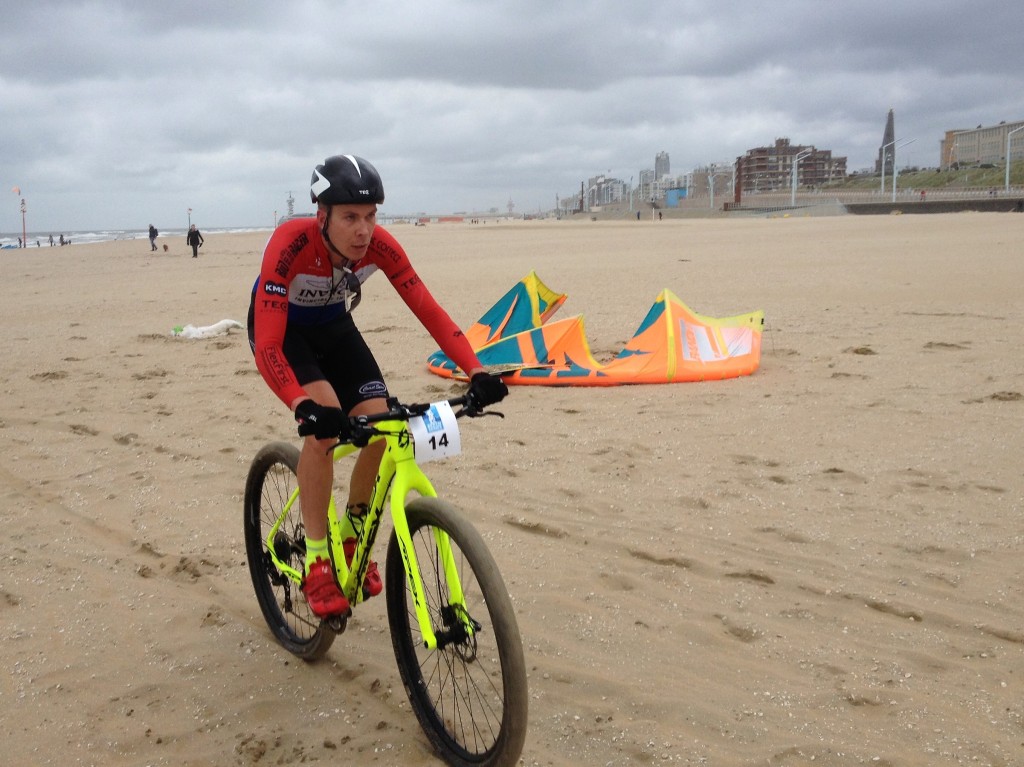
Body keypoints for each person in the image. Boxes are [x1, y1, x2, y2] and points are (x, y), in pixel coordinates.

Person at [248, 154, 508, 618]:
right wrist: (302, 403)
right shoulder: (290, 244)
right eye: (350, 217)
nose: (363, 230)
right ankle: (316, 558)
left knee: (380, 419)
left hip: (333, 328)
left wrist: (477, 370)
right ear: (322, 215)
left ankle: (351, 535)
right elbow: (268, 341)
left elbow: (427, 308)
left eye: (370, 217)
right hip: (284, 332)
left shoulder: (379, 248)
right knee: (325, 423)